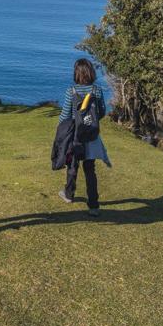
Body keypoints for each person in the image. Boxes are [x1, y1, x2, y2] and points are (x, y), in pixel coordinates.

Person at [58, 58, 111, 215]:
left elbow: (65, 115)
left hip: (75, 135)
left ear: (76, 73)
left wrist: (61, 131)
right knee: (90, 169)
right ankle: (93, 205)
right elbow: (102, 112)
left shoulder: (71, 91)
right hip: (92, 135)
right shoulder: (96, 90)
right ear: (91, 72)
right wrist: (90, 122)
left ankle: (69, 194)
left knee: (72, 166)